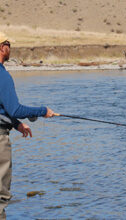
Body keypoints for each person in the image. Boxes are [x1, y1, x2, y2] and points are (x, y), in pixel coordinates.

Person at [0, 32, 57, 219]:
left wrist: (16, 125)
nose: (10, 48)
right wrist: (42, 111)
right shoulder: (3, 76)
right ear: (2, 48)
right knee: (1, 195)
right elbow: (15, 109)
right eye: (8, 44)